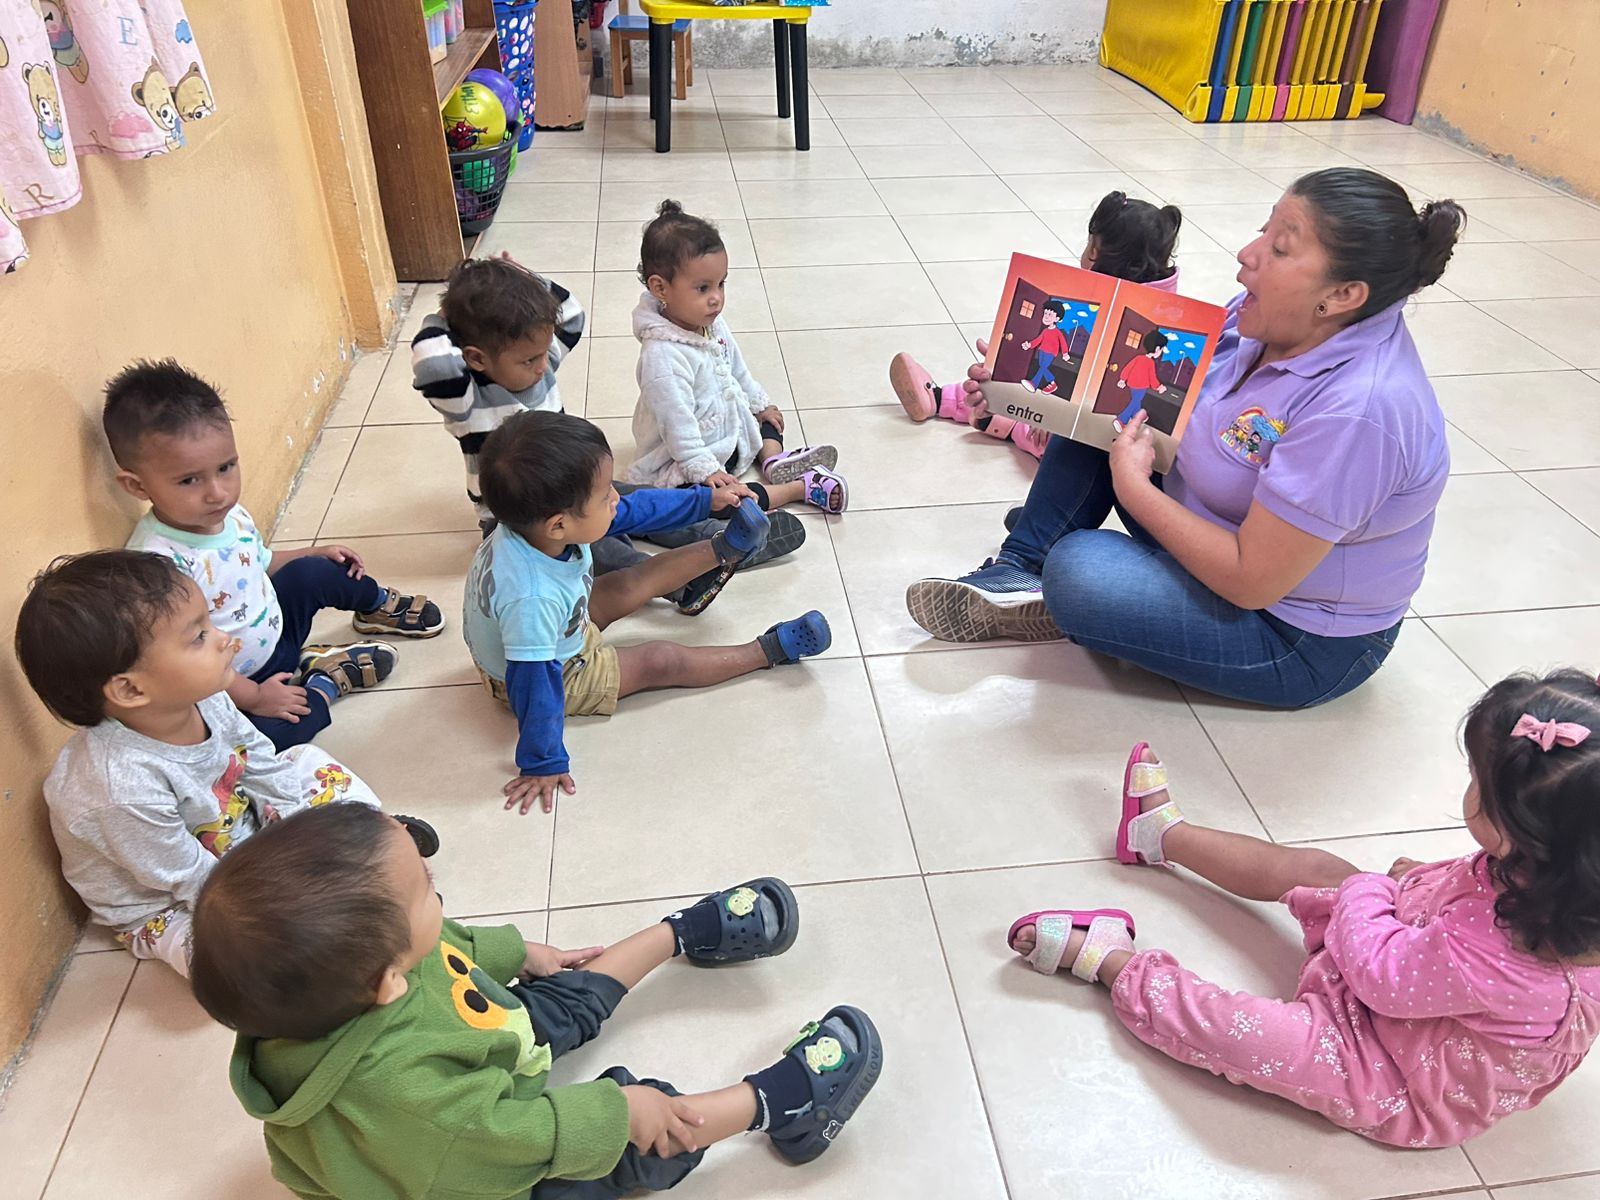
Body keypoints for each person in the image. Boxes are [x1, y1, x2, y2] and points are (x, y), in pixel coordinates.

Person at [907, 168, 1465, 709]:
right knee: (1101, 407)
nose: (1247, 253)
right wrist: (1020, 386)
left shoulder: (1360, 411)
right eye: (1264, 230)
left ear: (1343, 294)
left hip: (1291, 634)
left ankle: (1058, 572)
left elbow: (1252, 582)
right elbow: (1139, 400)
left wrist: (1133, 490)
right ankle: (1021, 567)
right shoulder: (1262, 319)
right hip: (1212, 522)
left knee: (1079, 569)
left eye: (1279, 248)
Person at [1007, 668, 1600, 1148]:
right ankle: (1160, 835)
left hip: (1394, 1071)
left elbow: (1380, 977)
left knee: (1250, 1035)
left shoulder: (1502, 954)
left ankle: (1112, 962)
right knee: (1320, 871)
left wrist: (1368, 888)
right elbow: (1467, 898)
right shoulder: (1565, 873)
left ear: (1518, 833)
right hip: (1416, 967)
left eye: (1476, 782)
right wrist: (1419, 883)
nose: (1468, 787)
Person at [194, 802, 884, 1198]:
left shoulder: (346, 979)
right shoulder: (410, 1103)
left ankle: (678, 934)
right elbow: (513, 1139)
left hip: (466, 1054)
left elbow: (446, 948)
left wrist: (516, 953)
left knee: (559, 999)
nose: (433, 879)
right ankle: (783, 1108)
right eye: (427, 888)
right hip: (480, 1173)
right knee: (640, 1128)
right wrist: (617, 1112)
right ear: (386, 982)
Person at [12, 550, 403, 976]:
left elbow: (260, 760)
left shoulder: (205, 695)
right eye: (198, 636)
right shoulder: (117, 789)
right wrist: (298, 893)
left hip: (240, 830)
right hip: (173, 901)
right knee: (235, 959)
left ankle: (366, 842)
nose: (223, 639)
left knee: (306, 761)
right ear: (130, 690)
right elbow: (188, 878)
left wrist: (306, 831)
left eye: (209, 623)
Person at [466, 410, 834, 815]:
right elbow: (533, 683)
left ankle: (725, 549)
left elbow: (638, 509)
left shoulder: (534, 526)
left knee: (627, 582)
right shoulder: (532, 599)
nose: (615, 497)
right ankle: (769, 650)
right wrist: (542, 761)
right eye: (604, 495)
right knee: (660, 660)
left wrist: (705, 501)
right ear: (558, 526)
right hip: (546, 670)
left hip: (553, 628)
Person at [412, 254, 804, 613]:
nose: (542, 366)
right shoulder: (465, 401)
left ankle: (718, 536)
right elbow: (433, 363)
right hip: (525, 521)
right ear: (476, 357)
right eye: (529, 360)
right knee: (601, 547)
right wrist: (448, 314)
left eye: (543, 353)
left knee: (639, 501)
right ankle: (682, 583)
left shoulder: (536, 360)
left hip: (579, 484)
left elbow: (570, 314)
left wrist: (524, 279)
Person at [109, 360, 443, 750]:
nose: (217, 492)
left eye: (226, 467)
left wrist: (314, 553)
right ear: (137, 486)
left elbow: (259, 562)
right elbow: (183, 661)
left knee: (316, 570)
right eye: (189, 480)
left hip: (278, 632)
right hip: (231, 684)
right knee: (261, 745)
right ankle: (324, 679)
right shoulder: (157, 567)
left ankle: (375, 606)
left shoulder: (228, 514)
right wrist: (254, 697)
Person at [889, 191, 1183, 461]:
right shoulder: (1156, 312)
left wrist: (1053, 419)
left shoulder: (1148, 324)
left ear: (1100, 253)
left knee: (1045, 438)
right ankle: (943, 399)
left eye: (1090, 244)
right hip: (1076, 421)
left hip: (1098, 450)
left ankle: (991, 419)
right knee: (1001, 387)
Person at [628, 200, 849, 514]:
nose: (716, 298)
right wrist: (704, 469)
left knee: (768, 420)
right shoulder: (662, 358)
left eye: (721, 284)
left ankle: (772, 460)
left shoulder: (710, 323)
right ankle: (799, 488)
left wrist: (759, 405)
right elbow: (677, 426)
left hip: (728, 433)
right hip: (683, 458)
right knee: (712, 502)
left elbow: (737, 369)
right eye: (702, 288)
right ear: (660, 288)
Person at [1113, 330, 1169, 431]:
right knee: (1135, 401)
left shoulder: (1138, 358)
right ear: (1157, 349)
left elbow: (1127, 368)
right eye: (1161, 350)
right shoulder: (1150, 362)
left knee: (1136, 400)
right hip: (1141, 387)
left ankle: (1138, 415)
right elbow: (1152, 378)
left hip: (1132, 385)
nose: (1161, 352)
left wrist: (1123, 379)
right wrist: (1159, 387)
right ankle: (1121, 420)